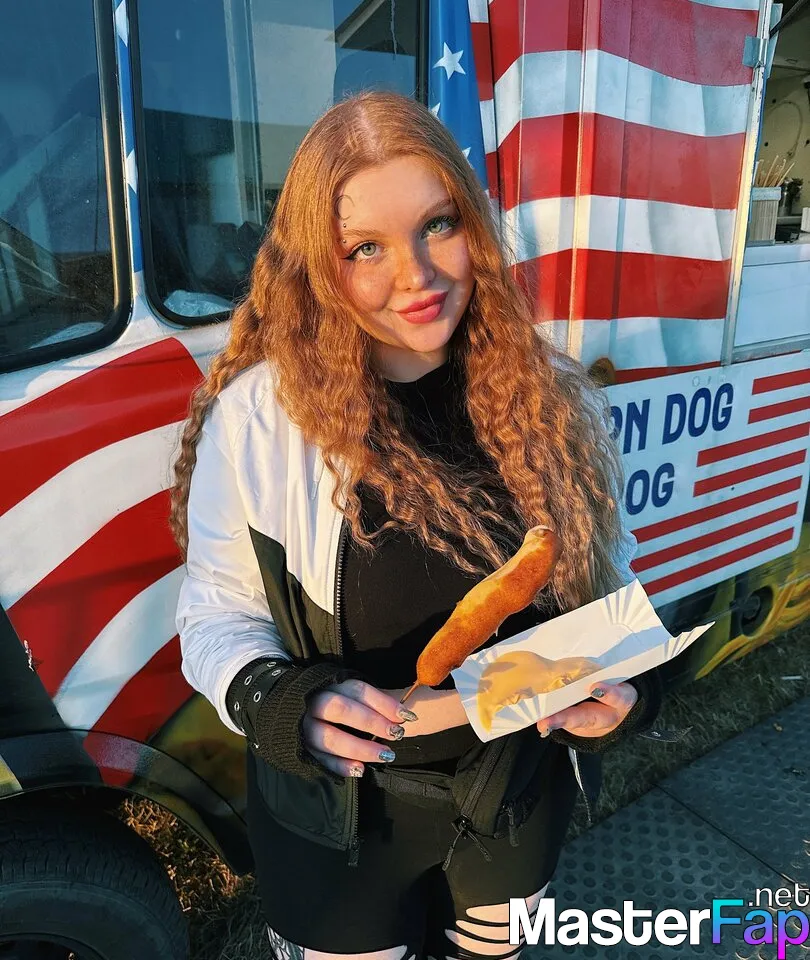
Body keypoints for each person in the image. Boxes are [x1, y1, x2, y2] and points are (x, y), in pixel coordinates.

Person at [171, 90, 664, 959]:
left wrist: (627, 682)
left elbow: (604, 573)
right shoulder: (260, 419)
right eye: (366, 247)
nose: (418, 275)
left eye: (439, 225)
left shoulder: (548, 394)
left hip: (512, 799)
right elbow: (215, 611)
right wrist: (277, 701)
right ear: (317, 267)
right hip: (340, 829)